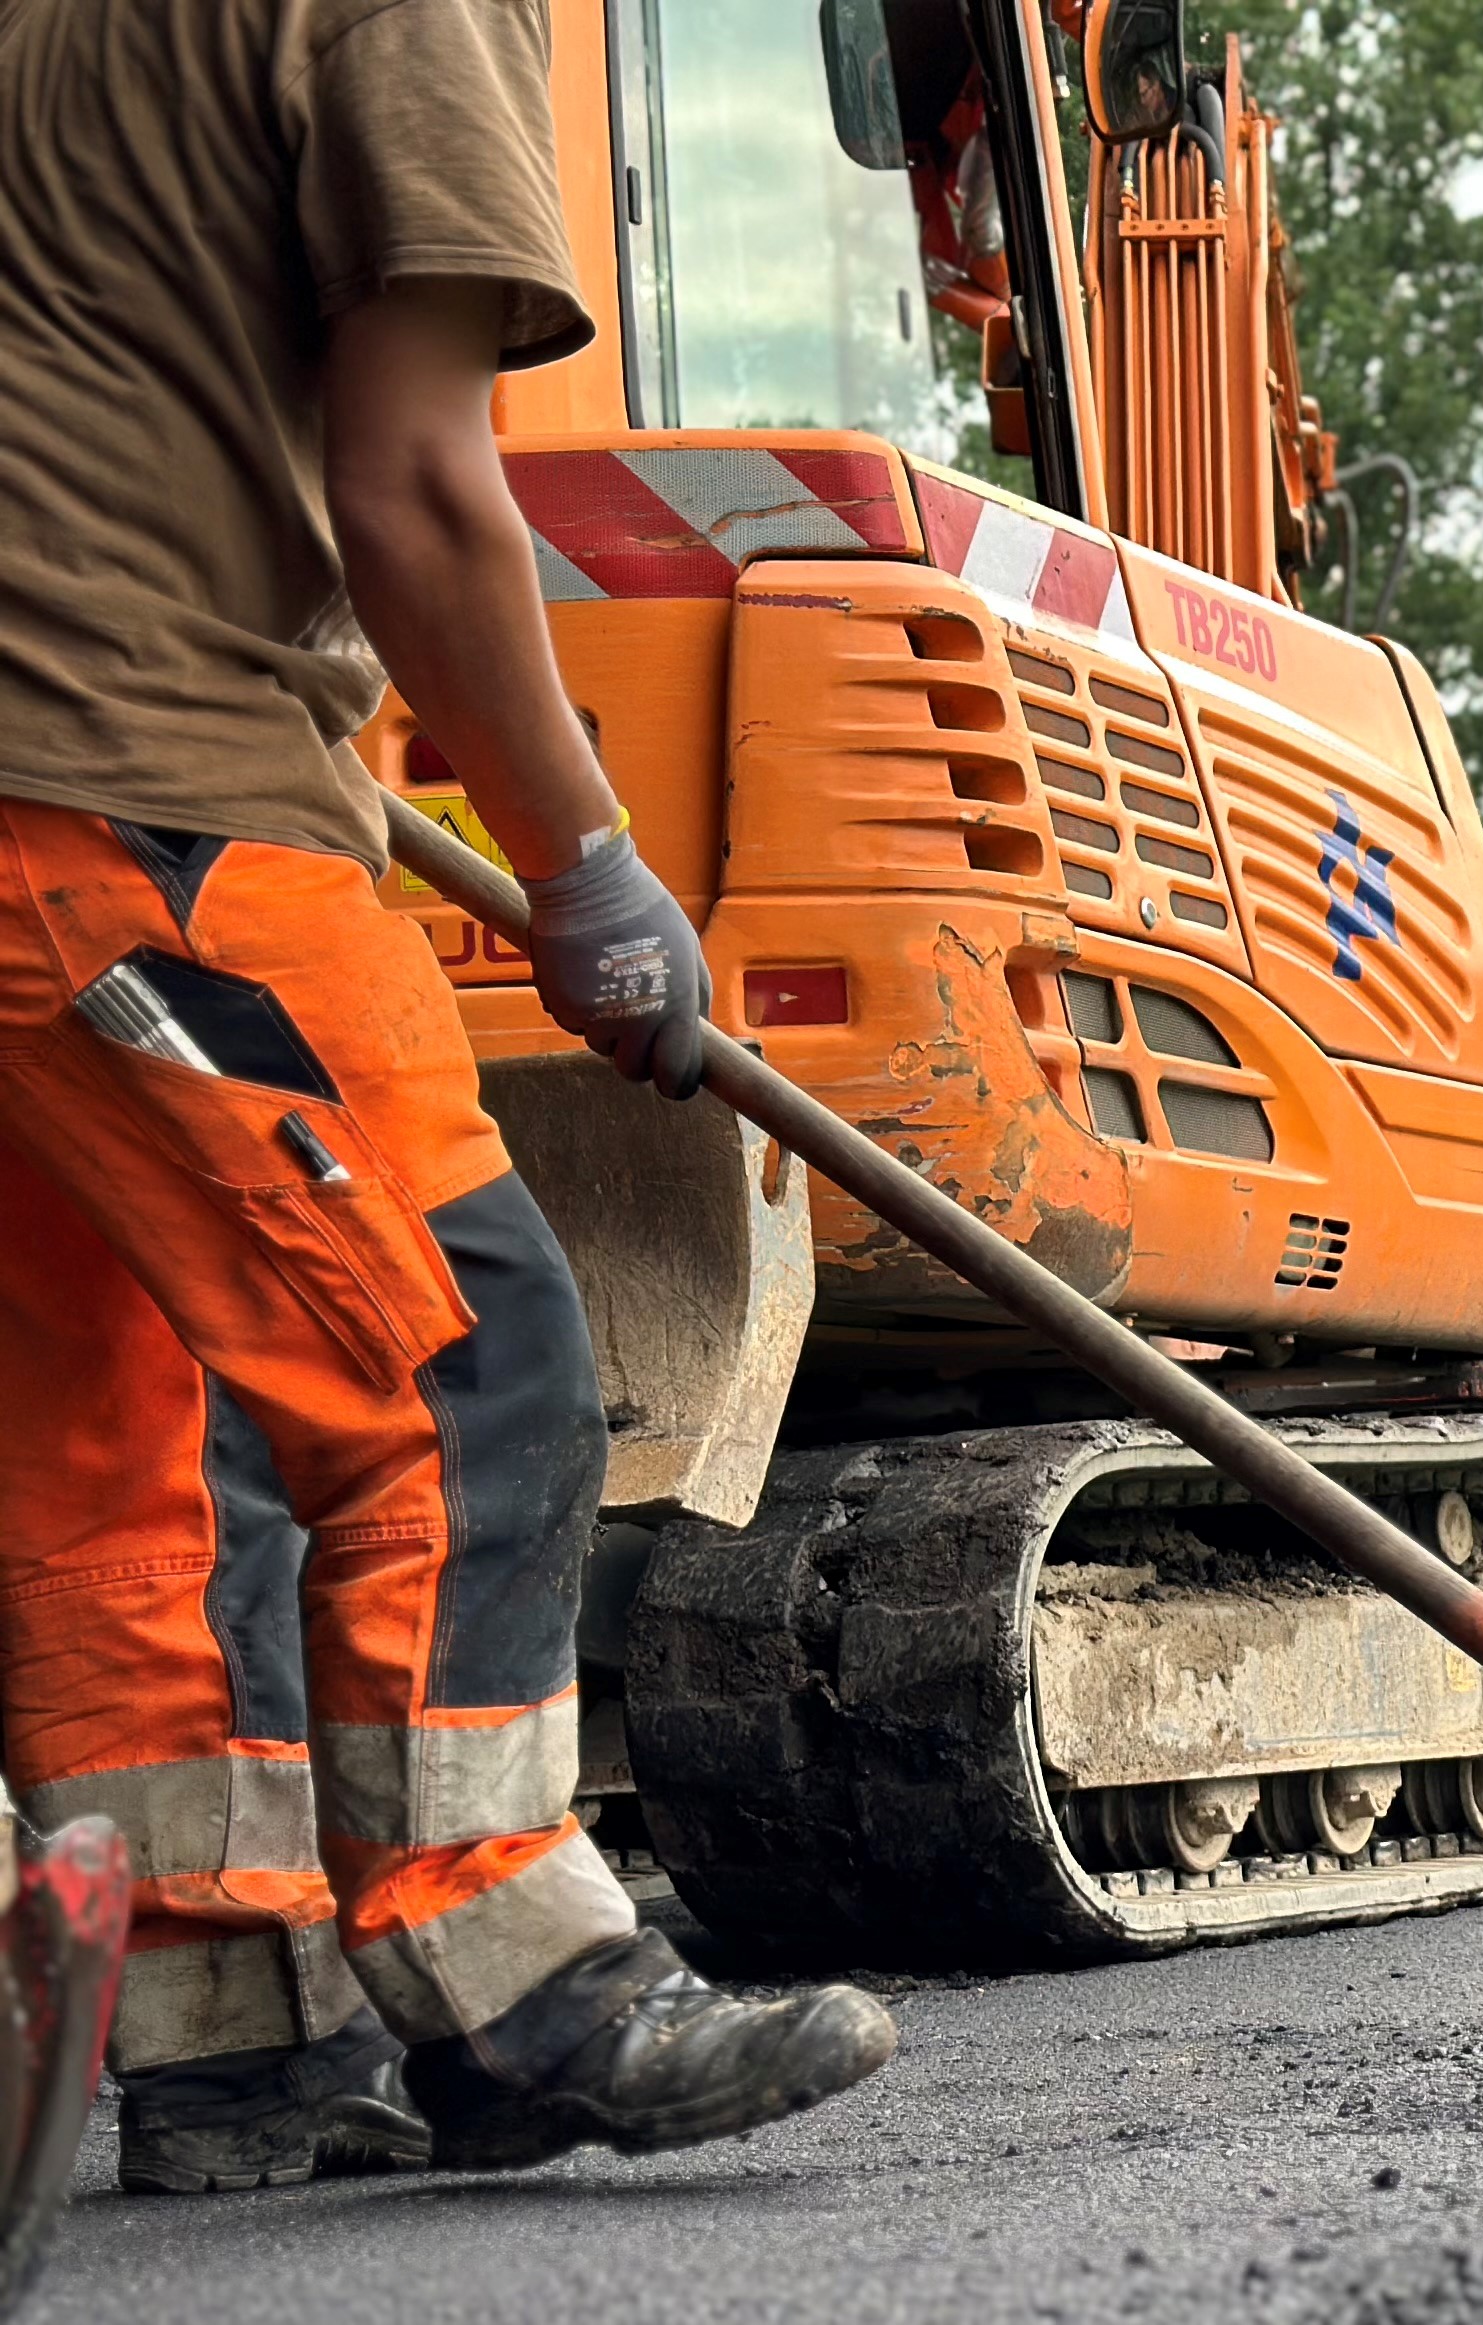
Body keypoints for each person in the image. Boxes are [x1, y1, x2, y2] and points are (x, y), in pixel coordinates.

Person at [0, 0, 894, 2191]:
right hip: (143, 806)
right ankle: (523, 1984)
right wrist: (585, 864)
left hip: (46, 823)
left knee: (130, 1468)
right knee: (458, 1369)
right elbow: (412, 487)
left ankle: (236, 2041)